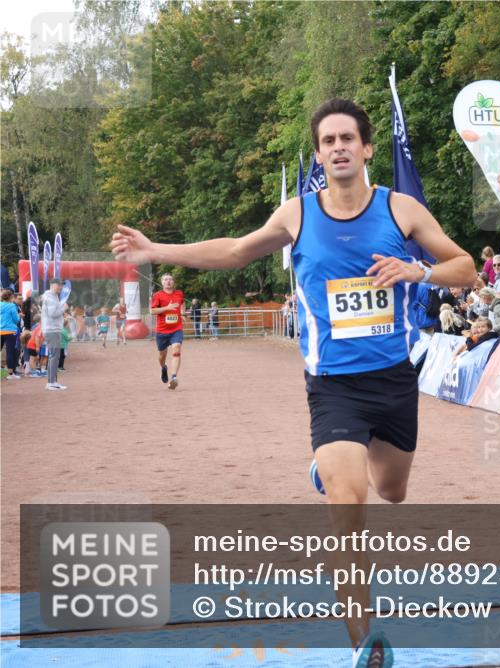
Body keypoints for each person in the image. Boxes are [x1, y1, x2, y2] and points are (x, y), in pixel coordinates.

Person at [111, 97, 476, 667]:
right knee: (348, 508)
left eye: (346, 139)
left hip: (395, 380)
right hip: (334, 386)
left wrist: (418, 270)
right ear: (319, 154)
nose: (337, 148)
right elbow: (234, 251)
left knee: (392, 491)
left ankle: (332, 467)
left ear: (366, 148)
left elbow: (467, 267)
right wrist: (155, 250)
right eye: (327, 141)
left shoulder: (401, 210)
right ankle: (366, 643)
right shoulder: (297, 214)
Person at [150, 274, 185, 390]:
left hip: (176, 329)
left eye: (170, 279)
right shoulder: (157, 295)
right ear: (162, 282)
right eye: (165, 279)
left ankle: (174, 377)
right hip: (162, 331)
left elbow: (182, 303)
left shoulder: (179, 293)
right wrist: (167, 308)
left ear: (173, 282)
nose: (168, 281)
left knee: (177, 348)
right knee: (161, 355)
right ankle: (163, 368)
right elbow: (152, 311)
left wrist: (183, 313)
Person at [40, 279, 67, 390]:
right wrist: (63, 308)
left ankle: (53, 382)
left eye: (61, 285)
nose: (61, 287)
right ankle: (51, 382)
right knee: (54, 357)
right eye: (59, 285)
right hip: (52, 330)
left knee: (54, 356)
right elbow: (53, 314)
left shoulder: (53, 296)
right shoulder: (50, 297)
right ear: (53, 285)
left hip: (53, 329)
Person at [1, 289, 22, 379]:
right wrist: (19, 316)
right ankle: (10, 374)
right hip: (10, 331)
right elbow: (16, 319)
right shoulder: (12, 306)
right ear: (10, 297)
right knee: (10, 351)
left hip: (0, 330)